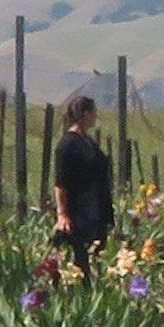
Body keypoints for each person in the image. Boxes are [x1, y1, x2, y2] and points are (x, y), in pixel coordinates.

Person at [50, 92, 116, 282]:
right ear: (86, 114)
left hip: (96, 212)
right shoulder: (68, 145)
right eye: (94, 112)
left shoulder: (87, 142)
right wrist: (62, 214)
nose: (96, 116)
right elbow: (61, 182)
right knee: (81, 264)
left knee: (96, 261)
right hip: (81, 213)